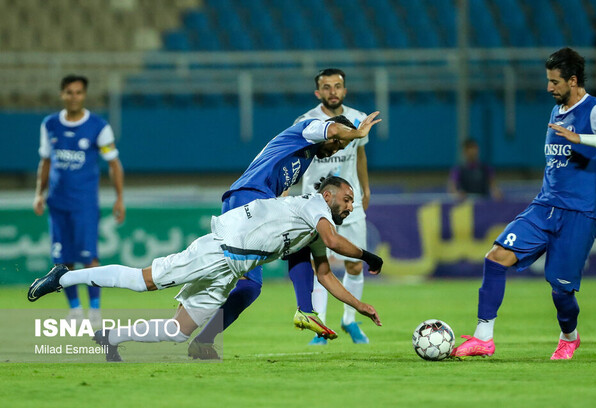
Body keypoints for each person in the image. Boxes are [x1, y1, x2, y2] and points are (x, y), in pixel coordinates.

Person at [28, 177, 384, 362]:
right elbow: (336, 243)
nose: (350, 206)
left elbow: (325, 275)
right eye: (347, 199)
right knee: (143, 281)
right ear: (328, 196)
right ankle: (64, 276)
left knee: (180, 331)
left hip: (229, 271)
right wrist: (370, 257)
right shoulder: (313, 208)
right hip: (218, 251)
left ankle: (111, 338)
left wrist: (360, 306)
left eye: (352, 201)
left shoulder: (315, 228)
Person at [451, 47, 596, 360]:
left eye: (555, 82)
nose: (549, 88)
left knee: (561, 292)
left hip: (578, 215)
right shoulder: (556, 110)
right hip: (543, 208)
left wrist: (581, 139)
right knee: (495, 258)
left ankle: (569, 337)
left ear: (573, 80)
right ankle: (483, 338)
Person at [187, 110, 381, 358]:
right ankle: (305, 309)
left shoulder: (305, 158)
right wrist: (357, 133)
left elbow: (324, 273)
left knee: (253, 285)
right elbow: (332, 129)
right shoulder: (307, 130)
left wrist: (360, 305)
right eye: (338, 144)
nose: (335, 150)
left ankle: (203, 340)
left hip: (259, 204)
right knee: (299, 243)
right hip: (249, 199)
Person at [33, 74, 125, 327]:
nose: (73, 97)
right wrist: (39, 194)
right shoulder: (50, 124)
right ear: (62, 94)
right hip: (57, 203)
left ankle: (94, 310)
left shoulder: (98, 126)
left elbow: (113, 164)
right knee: (62, 260)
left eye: (78, 92)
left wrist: (119, 198)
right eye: (69, 92)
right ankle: (75, 309)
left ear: (84, 95)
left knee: (89, 257)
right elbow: (46, 161)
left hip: (84, 204)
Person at [295, 68, 372, 345]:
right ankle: (321, 329)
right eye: (326, 87)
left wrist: (366, 187)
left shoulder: (358, 119)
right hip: (315, 205)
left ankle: (349, 321)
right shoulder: (306, 122)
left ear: (345, 90)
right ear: (318, 93)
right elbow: (297, 159)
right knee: (320, 266)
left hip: (350, 205)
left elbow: (360, 154)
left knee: (355, 266)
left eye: (337, 86)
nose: (332, 92)